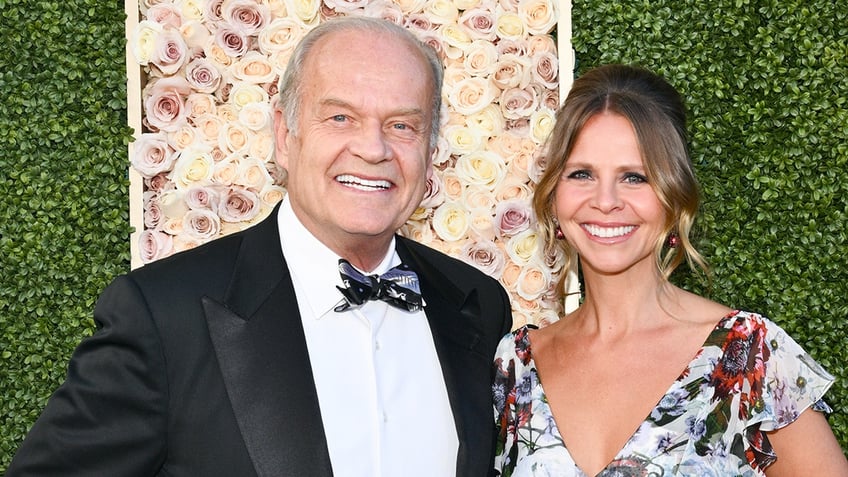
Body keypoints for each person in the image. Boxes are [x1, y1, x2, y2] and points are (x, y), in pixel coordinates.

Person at [8, 17, 512, 477]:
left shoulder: (477, 305)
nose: (373, 148)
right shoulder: (163, 318)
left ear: (430, 151)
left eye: (402, 125)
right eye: (339, 118)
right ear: (284, 135)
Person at [492, 64, 848, 476]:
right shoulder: (516, 364)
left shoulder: (749, 354)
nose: (605, 201)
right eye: (582, 174)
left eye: (634, 177)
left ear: (674, 198)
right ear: (554, 196)